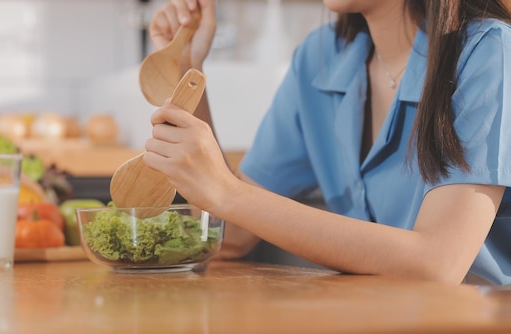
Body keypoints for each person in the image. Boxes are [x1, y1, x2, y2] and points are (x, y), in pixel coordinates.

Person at [143, 0, 511, 285]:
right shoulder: (320, 58)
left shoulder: (490, 51)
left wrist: (226, 192)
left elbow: (438, 264)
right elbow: (234, 234)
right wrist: (188, 70)